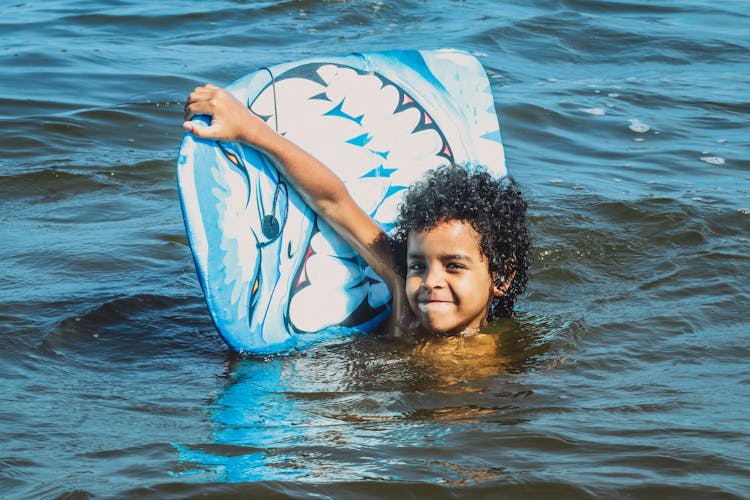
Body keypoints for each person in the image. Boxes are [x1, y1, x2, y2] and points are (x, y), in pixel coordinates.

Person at [183, 84, 530, 340]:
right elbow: (334, 202)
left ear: (501, 277)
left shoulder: (510, 356)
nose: (430, 281)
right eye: (418, 265)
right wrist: (251, 130)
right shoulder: (405, 305)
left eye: (453, 266)